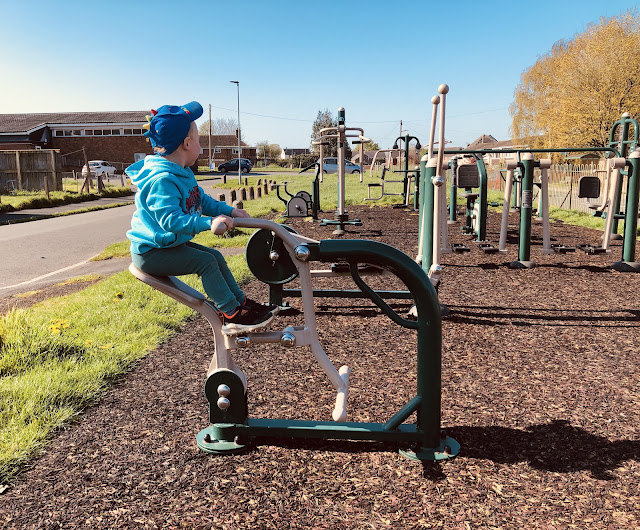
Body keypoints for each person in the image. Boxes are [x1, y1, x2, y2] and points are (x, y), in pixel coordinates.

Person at [126, 101, 277, 333]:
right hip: (150, 253)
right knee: (205, 262)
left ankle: (240, 304)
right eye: (198, 139)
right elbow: (171, 221)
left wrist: (228, 211)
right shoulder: (162, 180)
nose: (202, 146)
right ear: (187, 144)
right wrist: (208, 223)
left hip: (165, 247)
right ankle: (231, 314)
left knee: (214, 256)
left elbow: (200, 201)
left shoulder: (182, 172)